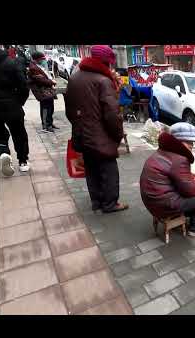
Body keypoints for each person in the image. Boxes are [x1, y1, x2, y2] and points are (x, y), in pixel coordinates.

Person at [65, 45, 128, 213]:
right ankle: (110, 204)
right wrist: (118, 135)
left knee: (91, 168)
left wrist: (79, 125)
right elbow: (112, 115)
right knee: (109, 170)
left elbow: (69, 111)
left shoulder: (75, 77)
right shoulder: (103, 81)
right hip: (101, 136)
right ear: (107, 62)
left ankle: (97, 201)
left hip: (81, 133)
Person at [140, 123, 195, 237]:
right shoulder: (179, 158)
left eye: (192, 142)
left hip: (151, 200)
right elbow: (190, 190)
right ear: (177, 141)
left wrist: (192, 178)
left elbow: (176, 176)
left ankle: (189, 213)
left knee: (193, 189)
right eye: (188, 142)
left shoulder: (163, 150)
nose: (191, 145)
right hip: (162, 205)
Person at [0, 45, 30, 175]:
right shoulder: (10, 62)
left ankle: (3, 153)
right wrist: (20, 102)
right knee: (19, 133)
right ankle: (23, 161)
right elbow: (23, 85)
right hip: (11, 104)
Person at [27, 51, 59, 133]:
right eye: (42, 59)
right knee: (45, 108)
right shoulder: (33, 68)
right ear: (37, 59)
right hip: (42, 91)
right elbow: (41, 80)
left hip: (46, 90)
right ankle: (46, 126)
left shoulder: (39, 65)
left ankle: (50, 123)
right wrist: (52, 82)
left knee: (50, 107)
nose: (43, 60)